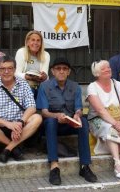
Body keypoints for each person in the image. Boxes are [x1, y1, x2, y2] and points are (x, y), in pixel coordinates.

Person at [36, 57, 97, 185]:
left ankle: (84, 166)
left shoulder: (75, 86)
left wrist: (77, 115)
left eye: (65, 69)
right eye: (58, 69)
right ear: (53, 71)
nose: (61, 71)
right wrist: (57, 115)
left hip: (69, 123)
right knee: (51, 121)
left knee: (83, 122)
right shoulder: (44, 86)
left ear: (69, 72)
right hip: (52, 124)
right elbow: (44, 112)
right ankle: (54, 166)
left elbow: (79, 108)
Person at [0, 56, 42, 163]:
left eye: (10, 68)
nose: (6, 71)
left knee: (37, 117)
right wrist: (7, 124)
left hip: (20, 127)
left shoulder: (24, 84)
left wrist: (20, 123)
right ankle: (14, 148)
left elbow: (31, 107)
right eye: (3, 69)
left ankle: (8, 148)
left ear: (14, 69)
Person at [87, 60, 120, 180]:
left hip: (119, 118)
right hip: (97, 120)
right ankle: (117, 163)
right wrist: (116, 124)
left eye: (108, 67)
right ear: (97, 73)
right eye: (104, 69)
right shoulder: (92, 87)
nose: (108, 69)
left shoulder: (118, 85)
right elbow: (101, 111)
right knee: (110, 128)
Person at [15, 30, 50, 98]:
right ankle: (31, 107)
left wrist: (44, 77)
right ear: (28, 42)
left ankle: (42, 108)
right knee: (29, 89)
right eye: (33, 40)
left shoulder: (46, 55)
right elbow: (16, 73)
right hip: (24, 85)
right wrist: (27, 76)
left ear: (41, 43)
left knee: (44, 88)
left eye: (38, 40)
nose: (35, 43)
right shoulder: (21, 52)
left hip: (39, 85)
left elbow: (45, 76)